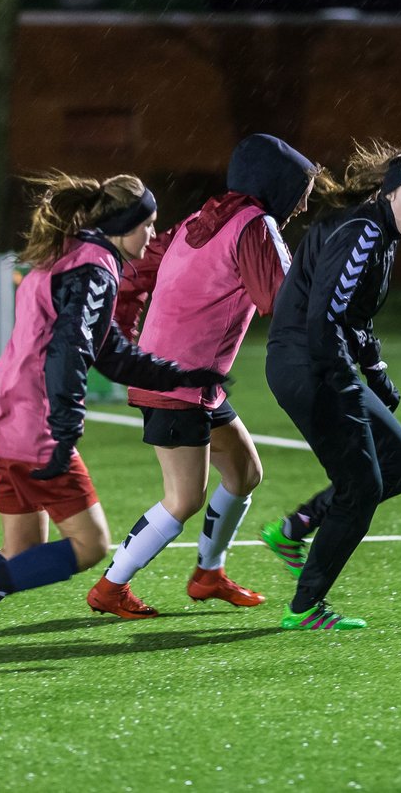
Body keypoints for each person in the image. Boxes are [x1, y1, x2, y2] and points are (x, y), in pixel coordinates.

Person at [0, 172, 225, 681]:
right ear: (124, 224)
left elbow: (111, 354)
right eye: (148, 224)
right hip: (34, 427)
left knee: (22, 551)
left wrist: (181, 375)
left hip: (1, 419)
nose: (152, 235)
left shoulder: (74, 254)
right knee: (90, 545)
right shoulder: (96, 270)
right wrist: (67, 423)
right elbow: (70, 350)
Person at [86, 134, 318, 619]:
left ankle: (208, 574)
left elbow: (136, 275)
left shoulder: (202, 217)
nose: (302, 205)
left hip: (193, 381)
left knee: (245, 472)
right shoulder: (256, 225)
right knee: (183, 499)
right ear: (277, 186)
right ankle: (110, 587)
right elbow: (284, 300)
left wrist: (124, 336)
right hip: (178, 385)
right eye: (302, 192)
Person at [259, 141, 401, 630]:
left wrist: (376, 373)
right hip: (308, 366)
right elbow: (325, 319)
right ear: (389, 191)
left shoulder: (377, 231)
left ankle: (295, 528)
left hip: (320, 363)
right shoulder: (363, 230)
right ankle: (304, 608)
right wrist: (345, 385)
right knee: (362, 488)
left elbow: (352, 317)